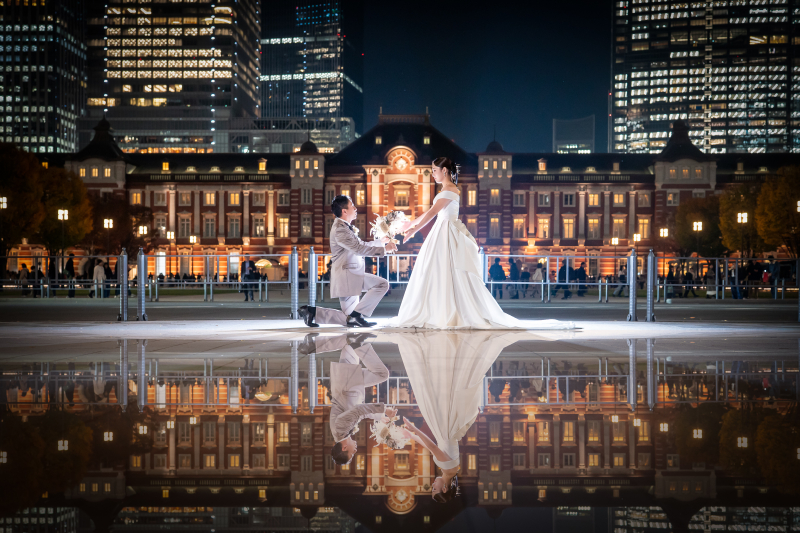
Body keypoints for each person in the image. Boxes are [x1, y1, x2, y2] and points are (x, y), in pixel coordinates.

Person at [388, 157, 572, 330]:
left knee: (442, 270)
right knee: (440, 271)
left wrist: (413, 227)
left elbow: (431, 213)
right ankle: (442, 311)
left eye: (434, 170)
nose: (433, 174)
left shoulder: (450, 190)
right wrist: (411, 225)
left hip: (445, 232)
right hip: (442, 231)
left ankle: (444, 312)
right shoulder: (447, 190)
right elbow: (432, 213)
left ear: (444, 170)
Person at [387, 330, 539, 503]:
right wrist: (413, 429)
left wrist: (411, 435)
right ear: (444, 488)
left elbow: (431, 447)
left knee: (441, 388)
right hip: (447, 427)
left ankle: (448, 351)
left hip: (446, 427)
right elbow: (432, 447)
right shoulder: (449, 468)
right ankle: (448, 351)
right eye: (434, 488)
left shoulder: (449, 469)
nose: (432, 484)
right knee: (438, 387)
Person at [298, 194, 396, 328]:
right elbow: (358, 249)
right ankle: (356, 316)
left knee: (347, 319)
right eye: (352, 206)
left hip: (350, 274)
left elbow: (361, 245)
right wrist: (384, 250)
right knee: (382, 285)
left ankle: (312, 312)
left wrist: (380, 242)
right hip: (348, 275)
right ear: (344, 211)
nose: (356, 208)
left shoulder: (345, 227)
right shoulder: (340, 229)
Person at [318, 333, 393, 466]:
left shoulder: (340, 430)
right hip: (349, 384)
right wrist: (379, 416)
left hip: (348, 383)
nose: (356, 450)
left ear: (344, 448)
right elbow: (358, 413)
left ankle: (316, 343)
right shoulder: (343, 432)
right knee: (351, 343)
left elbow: (358, 410)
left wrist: (384, 410)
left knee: (382, 374)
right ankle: (356, 339)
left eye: (352, 453)